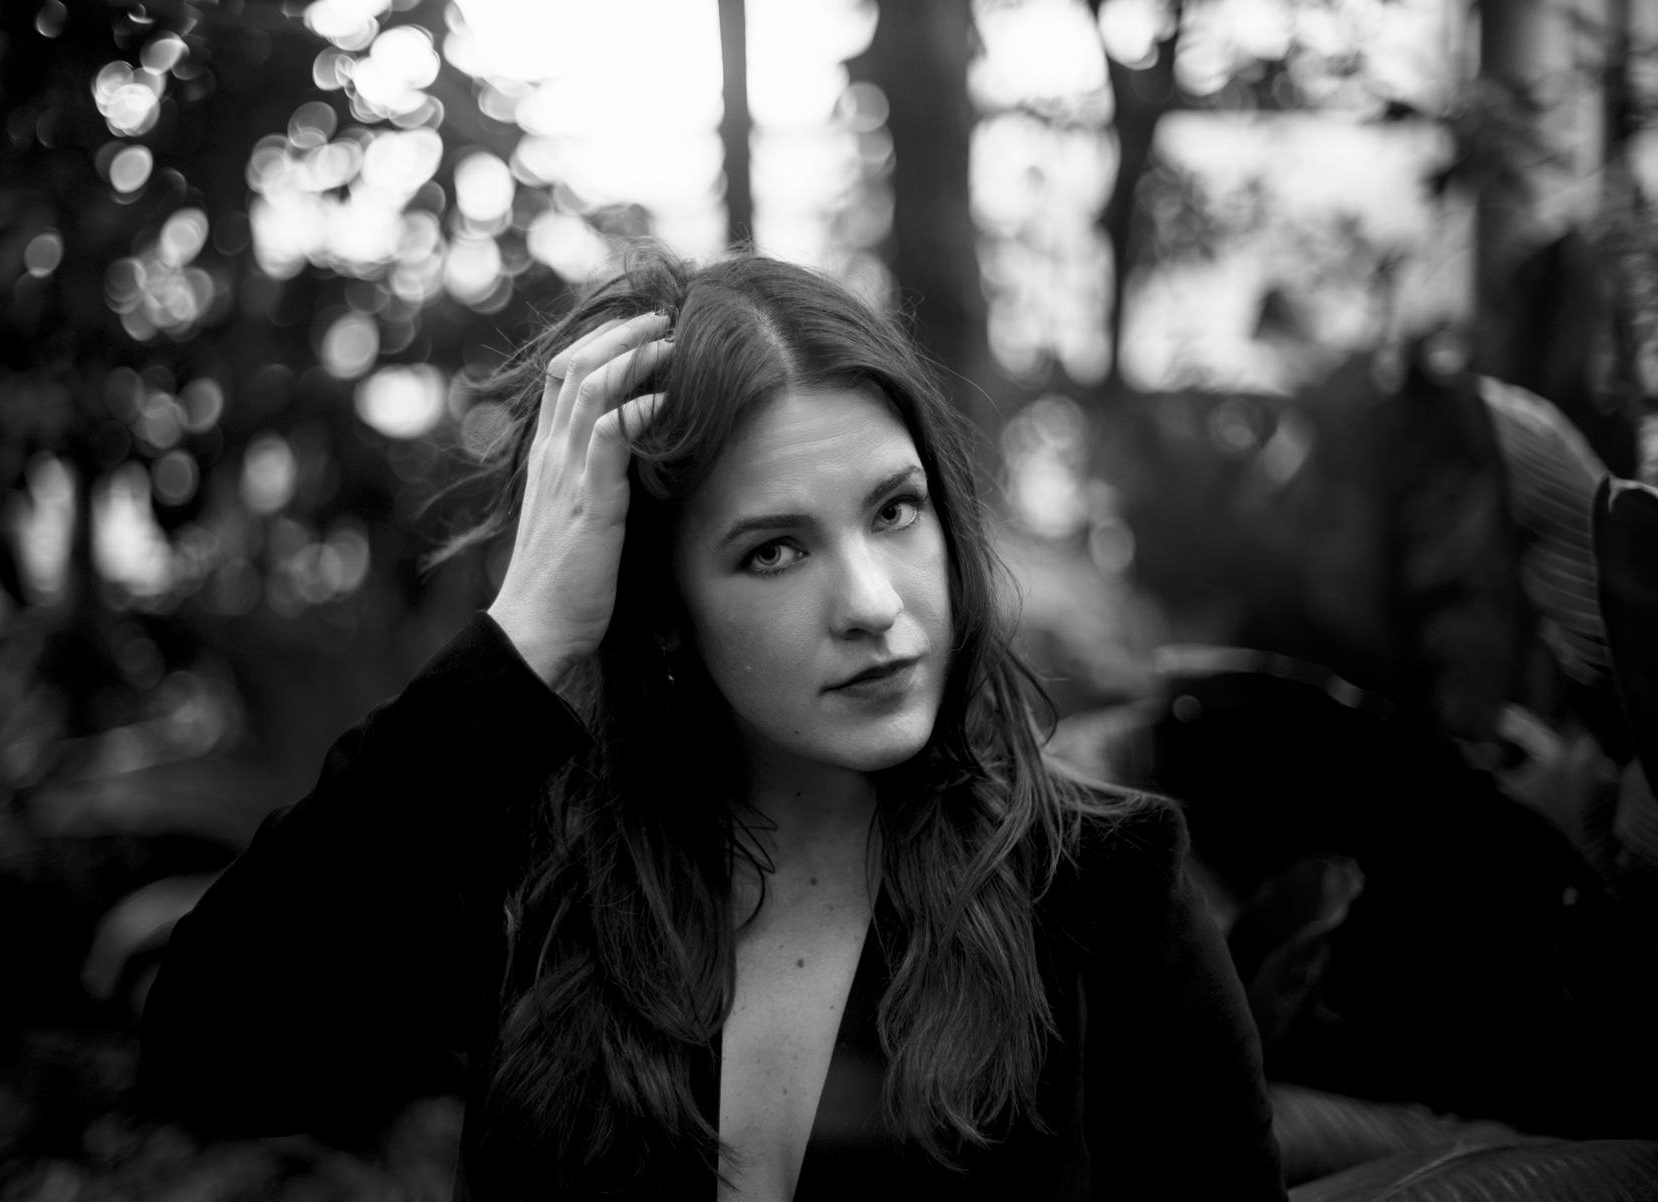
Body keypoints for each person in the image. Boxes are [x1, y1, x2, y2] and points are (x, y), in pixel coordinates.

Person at [140, 247, 1286, 1201]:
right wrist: (525, 636)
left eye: (895, 510)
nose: (873, 605)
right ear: (666, 614)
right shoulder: (541, 881)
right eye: (773, 550)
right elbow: (210, 1046)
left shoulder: (1105, 886)